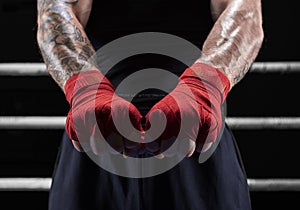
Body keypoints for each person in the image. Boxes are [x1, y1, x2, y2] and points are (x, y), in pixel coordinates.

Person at [37, 0, 264, 209]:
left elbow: (245, 15)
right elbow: (54, 14)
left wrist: (204, 86)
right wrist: (86, 88)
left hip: (194, 125)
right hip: (97, 125)